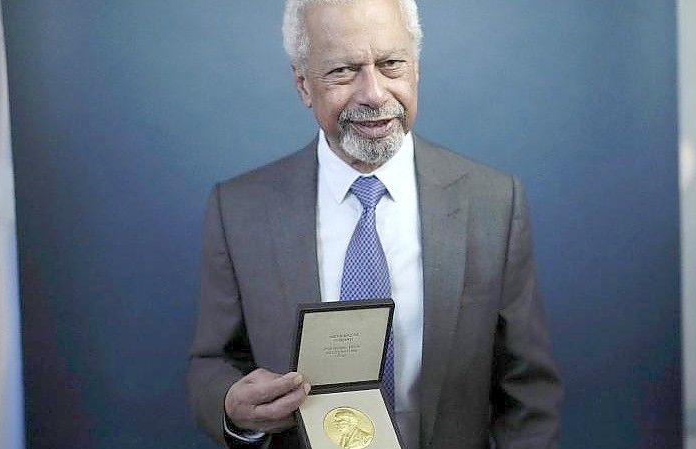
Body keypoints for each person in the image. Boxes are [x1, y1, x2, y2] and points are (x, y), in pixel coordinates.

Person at [187, 0, 562, 448]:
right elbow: (211, 363)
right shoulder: (239, 210)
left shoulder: (494, 203)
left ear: (416, 69)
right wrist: (232, 406)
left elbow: (528, 392)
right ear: (304, 85)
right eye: (344, 71)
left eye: (391, 65)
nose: (374, 94)